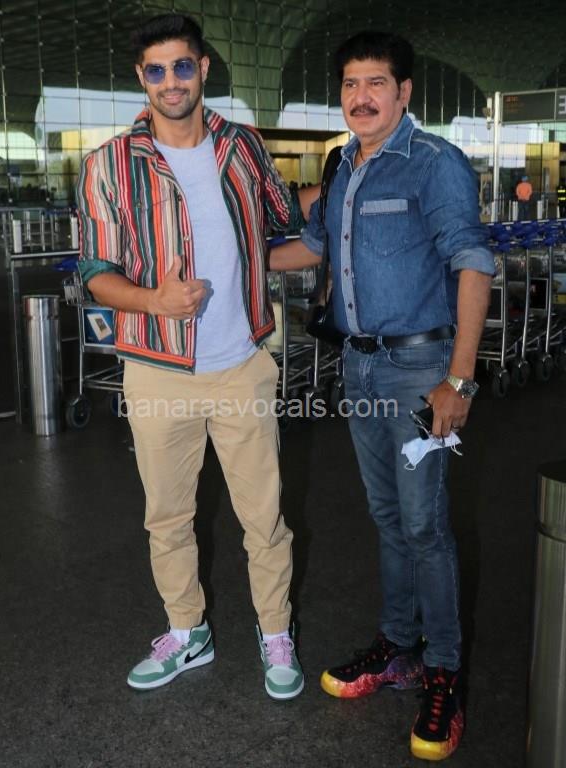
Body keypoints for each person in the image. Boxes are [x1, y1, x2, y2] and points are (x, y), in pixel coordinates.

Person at [76, 13, 317, 701]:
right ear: (141, 78)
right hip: (157, 370)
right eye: (156, 70)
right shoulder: (108, 165)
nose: (171, 81)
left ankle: (276, 632)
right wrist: (154, 301)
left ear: (203, 68)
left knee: (263, 517)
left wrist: (350, 182)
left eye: (182, 66)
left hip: (241, 363)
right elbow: (95, 272)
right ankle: (187, 630)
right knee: (167, 518)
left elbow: (284, 219)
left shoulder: (242, 147)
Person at [270, 30, 494, 760]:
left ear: (403, 93)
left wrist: (458, 378)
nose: (360, 97)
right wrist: (233, 260)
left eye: (375, 83)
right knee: (388, 517)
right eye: (350, 84)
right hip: (359, 367)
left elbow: (472, 263)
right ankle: (398, 645)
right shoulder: (342, 166)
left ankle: (444, 670)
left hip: (419, 368)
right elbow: (312, 247)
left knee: (425, 525)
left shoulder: (433, 162)